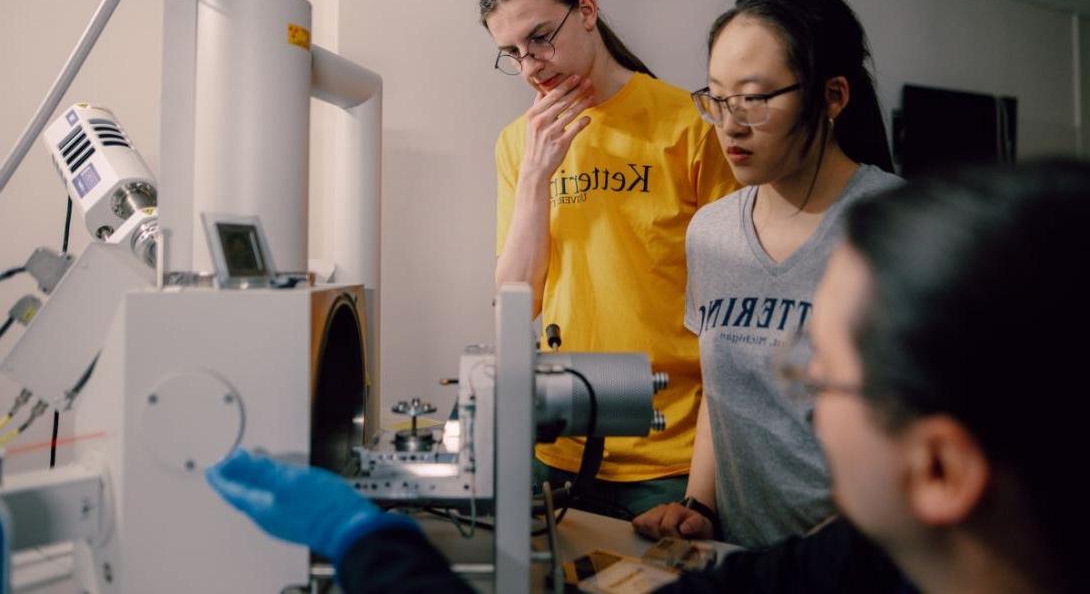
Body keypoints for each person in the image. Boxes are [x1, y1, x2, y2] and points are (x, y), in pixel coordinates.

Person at [208, 160, 1090, 594]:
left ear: (938, 467)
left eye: (822, 367)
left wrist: (363, 537)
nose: (798, 389)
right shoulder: (868, 557)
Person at [634, 0, 900, 547]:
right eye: (717, 97)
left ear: (831, 97)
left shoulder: (894, 223)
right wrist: (698, 505)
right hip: (738, 555)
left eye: (754, 97)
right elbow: (721, 393)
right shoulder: (711, 231)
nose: (729, 124)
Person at [483, 0, 738, 516]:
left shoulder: (690, 124)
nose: (530, 66)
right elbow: (513, 302)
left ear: (589, 11)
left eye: (541, 37)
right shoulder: (516, 143)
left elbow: (733, 324)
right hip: (556, 445)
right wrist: (534, 176)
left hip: (669, 458)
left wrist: (700, 496)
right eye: (512, 52)